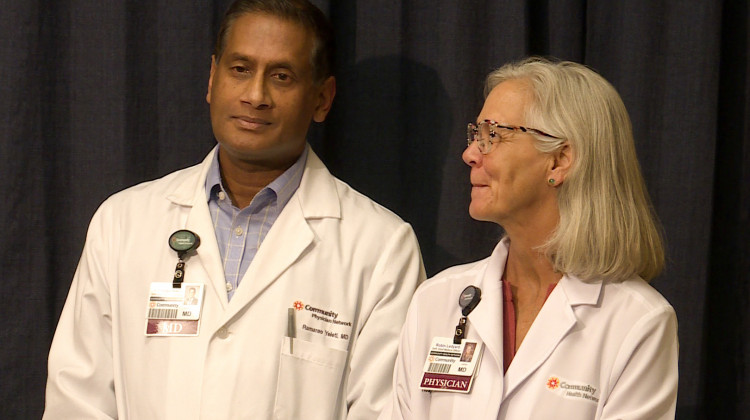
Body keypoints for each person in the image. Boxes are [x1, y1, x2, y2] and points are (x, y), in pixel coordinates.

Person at [44, 1, 425, 418]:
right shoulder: (122, 223)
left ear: (321, 99)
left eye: (281, 77)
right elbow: (77, 399)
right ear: (212, 79)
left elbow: (386, 410)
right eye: (240, 69)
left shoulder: (382, 247)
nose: (255, 95)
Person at [379, 57, 678, 419]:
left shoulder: (637, 322)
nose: (470, 154)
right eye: (476, 135)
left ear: (559, 160)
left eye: (493, 135)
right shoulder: (435, 301)